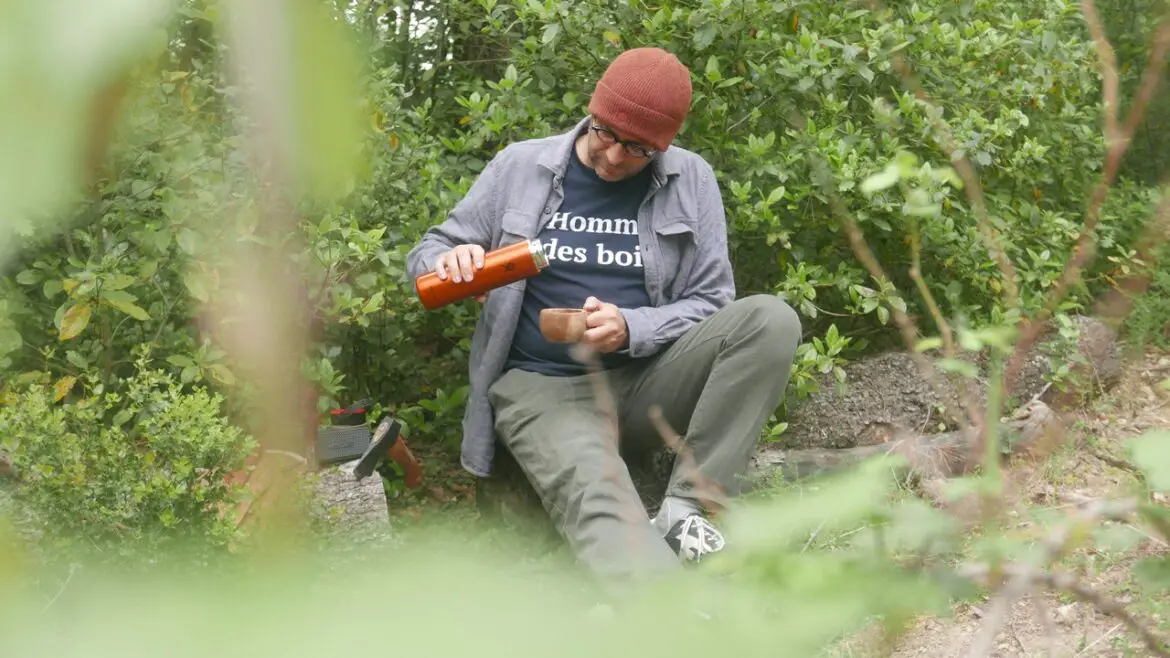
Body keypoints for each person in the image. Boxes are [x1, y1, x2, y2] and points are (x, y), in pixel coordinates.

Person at [406, 47, 801, 582]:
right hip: (543, 386)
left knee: (771, 320)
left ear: (665, 146)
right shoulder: (521, 165)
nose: (615, 156)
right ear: (592, 113)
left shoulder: (693, 179)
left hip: (645, 379)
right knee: (601, 503)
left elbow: (712, 303)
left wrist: (632, 327)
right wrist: (448, 259)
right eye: (605, 133)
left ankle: (686, 509)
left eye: (638, 148)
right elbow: (428, 251)